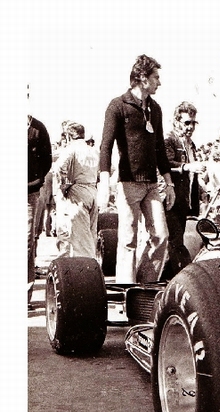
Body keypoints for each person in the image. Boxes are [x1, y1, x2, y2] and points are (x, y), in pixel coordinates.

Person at [99, 54, 175, 283]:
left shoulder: (156, 109)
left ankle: (143, 288)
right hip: (128, 183)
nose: (159, 82)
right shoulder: (118, 105)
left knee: (161, 236)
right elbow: (106, 146)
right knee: (128, 240)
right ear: (142, 78)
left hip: (152, 184)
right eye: (156, 77)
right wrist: (104, 183)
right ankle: (125, 292)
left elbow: (160, 149)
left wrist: (169, 183)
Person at [162, 101, 205, 279]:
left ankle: (168, 279)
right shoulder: (169, 139)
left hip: (183, 200)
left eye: (193, 123)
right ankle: (186, 278)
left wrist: (200, 190)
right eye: (187, 123)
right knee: (175, 241)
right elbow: (165, 164)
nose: (190, 127)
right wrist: (187, 167)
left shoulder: (191, 144)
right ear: (176, 121)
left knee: (174, 241)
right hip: (170, 197)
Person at [51, 121, 99, 259]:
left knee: (77, 234)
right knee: (90, 232)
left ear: (69, 136)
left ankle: (83, 269)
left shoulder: (71, 148)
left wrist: (63, 185)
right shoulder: (93, 150)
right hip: (93, 189)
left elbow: (59, 168)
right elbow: (109, 169)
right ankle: (90, 263)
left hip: (77, 190)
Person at [28, 115, 51, 307]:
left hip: (29, 192)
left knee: (26, 242)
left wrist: (35, 180)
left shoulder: (38, 128)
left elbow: (47, 159)